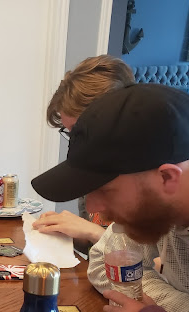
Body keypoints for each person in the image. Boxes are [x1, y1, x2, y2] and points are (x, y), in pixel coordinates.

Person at [31, 83, 189, 312]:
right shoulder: (157, 205)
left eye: (106, 190)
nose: (94, 208)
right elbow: (103, 262)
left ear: (167, 177)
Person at [32, 55, 135, 248]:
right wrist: (68, 232)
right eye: (70, 134)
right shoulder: (89, 167)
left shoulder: (148, 179)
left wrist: (93, 232)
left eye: (79, 132)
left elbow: (152, 261)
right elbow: (95, 249)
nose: (75, 144)